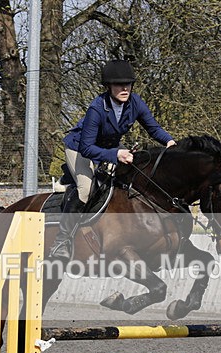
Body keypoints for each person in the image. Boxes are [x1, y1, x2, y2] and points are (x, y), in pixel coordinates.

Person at [49, 59, 177, 261]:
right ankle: (62, 242)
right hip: (80, 148)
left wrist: (169, 141)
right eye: (119, 84)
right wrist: (117, 154)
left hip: (108, 147)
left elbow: (153, 128)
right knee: (86, 189)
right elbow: (87, 147)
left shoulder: (135, 103)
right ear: (108, 87)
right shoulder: (97, 109)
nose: (124, 88)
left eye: (128, 84)